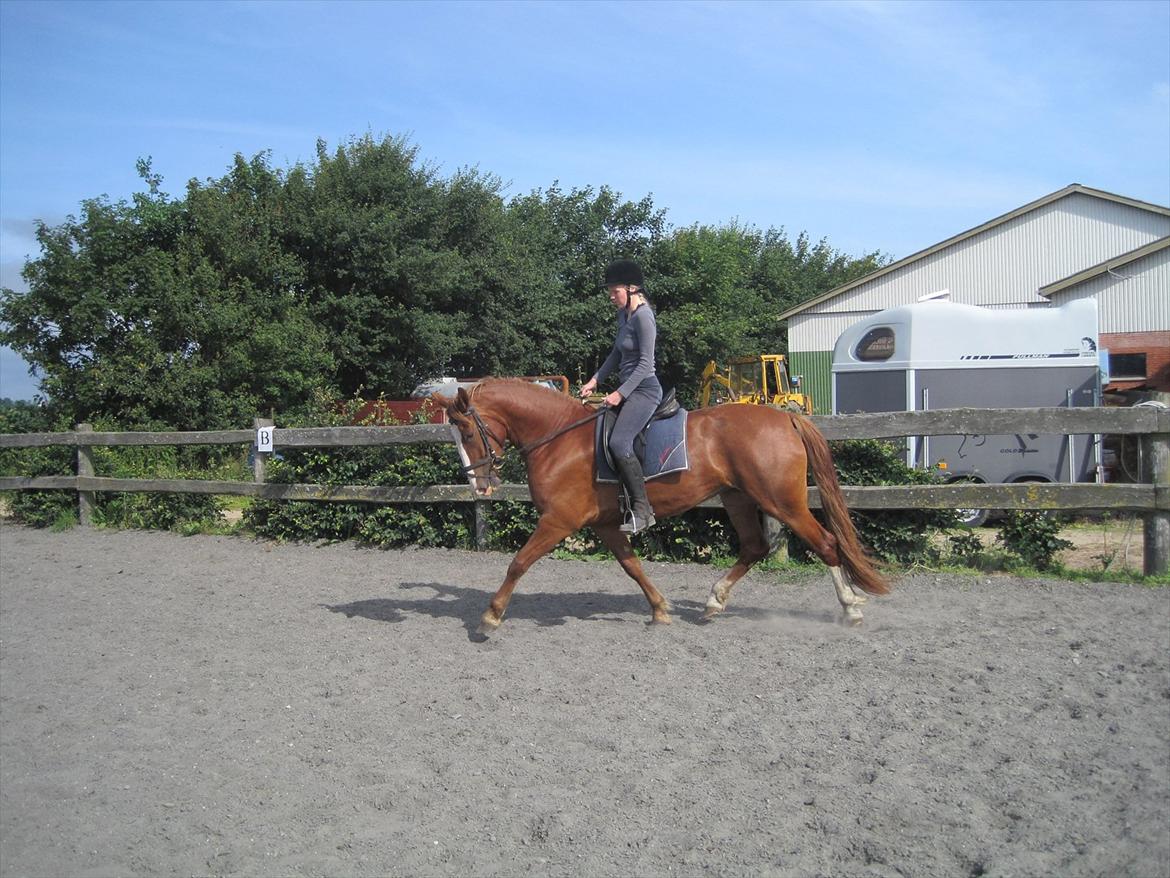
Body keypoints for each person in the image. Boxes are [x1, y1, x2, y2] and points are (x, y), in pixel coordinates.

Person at [579, 258, 663, 534]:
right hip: (627, 390)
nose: (611, 296)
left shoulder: (644, 317)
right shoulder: (623, 316)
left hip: (645, 390)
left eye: (615, 291)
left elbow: (646, 364)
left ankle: (642, 510)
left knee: (619, 442)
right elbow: (616, 353)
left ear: (632, 289)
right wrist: (595, 380)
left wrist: (619, 393)